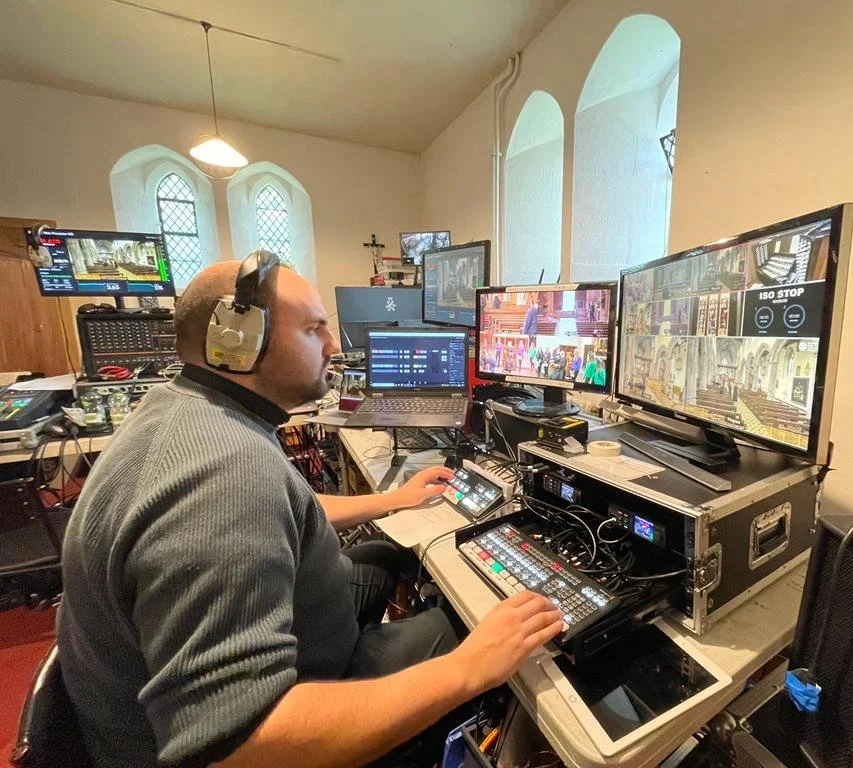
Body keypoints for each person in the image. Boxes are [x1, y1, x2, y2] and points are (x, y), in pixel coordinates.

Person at [57, 256, 563, 768]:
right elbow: (244, 743)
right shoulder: (228, 474)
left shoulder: (189, 414)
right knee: (456, 627)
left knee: (384, 552)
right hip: (271, 724)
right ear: (238, 341)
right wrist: (471, 668)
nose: (335, 347)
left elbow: (278, 508)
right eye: (314, 329)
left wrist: (392, 500)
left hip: (294, 634)